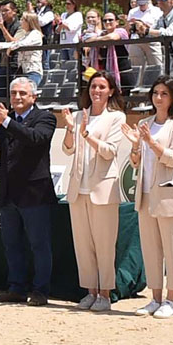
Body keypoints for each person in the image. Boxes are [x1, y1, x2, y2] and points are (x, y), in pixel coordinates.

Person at [0, 78, 57, 306]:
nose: (17, 97)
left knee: (39, 244)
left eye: (23, 93)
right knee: (11, 244)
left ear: (33, 97)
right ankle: (16, 287)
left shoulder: (46, 118)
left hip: (34, 193)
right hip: (8, 192)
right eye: (14, 93)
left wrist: (5, 122)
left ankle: (41, 290)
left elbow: (35, 138)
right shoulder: (7, 120)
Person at [124, 76, 173, 319]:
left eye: (164, 93)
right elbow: (135, 162)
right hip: (146, 192)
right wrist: (135, 145)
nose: (158, 98)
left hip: (168, 193)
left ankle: (171, 300)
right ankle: (155, 298)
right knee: (150, 249)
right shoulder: (145, 122)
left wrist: (151, 142)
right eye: (155, 93)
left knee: (172, 248)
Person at [61, 70, 128, 312]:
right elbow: (67, 149)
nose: (96, 91)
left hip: (103, 188)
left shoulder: (117, 118)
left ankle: (105, 294)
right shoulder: (79, 116)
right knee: (83, 244)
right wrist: (70, 129)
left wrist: (87, 135)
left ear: (110, 91)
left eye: (101, 87)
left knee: (104, 244)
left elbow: (109, 151)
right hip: (79, 188)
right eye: (93, 87)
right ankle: (90, 291)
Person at [0, 10, 45, 87]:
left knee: (28, 92)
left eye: (22, 19)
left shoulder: (35, 33)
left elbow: (22, 43)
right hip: (23, 71)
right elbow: (14, 43)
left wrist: (11, 48)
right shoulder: (26, 35)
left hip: (33, 71)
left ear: (29, 22)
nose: (20, 21)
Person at [127, 0, 165, 70]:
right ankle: (139, 82)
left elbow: (159, 27)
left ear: (148, 1)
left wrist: (144, 25)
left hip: (151, 40)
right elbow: (129, 27)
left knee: (156, 66)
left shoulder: (157, 11)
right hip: (136, 40)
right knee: (136, 68)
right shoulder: (132, 11)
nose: (142, 6)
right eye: (140, 3)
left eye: (143, 3)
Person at [57, 0, 84, 65]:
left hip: (73, 44)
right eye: (66, 4)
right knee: (64, 66)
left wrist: (60, 23)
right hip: (63, 44)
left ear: (74, 5)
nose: (67, 6)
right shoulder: (63, 15)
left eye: (69, 4)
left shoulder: (78, 15)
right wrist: (60, 24)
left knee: (73, 65)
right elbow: (57, 30)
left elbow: (72, 29)